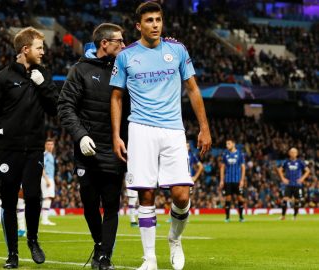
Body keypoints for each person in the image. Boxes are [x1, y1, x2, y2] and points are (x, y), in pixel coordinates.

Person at [109, 3, 211, 270]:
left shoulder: (177, 50)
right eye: (149, 20)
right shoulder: (126, 55)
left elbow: (193, 88)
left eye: (158, 19)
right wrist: (117, 135)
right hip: (140, 129)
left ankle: (175, 239)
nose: (155, 24)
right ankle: (150, 259)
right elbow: (116, 97)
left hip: (173, 130)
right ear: (138, 26)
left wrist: (204, 127)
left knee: (180, 195)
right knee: (146, 195)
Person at [0, 26, 58, 269]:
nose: (43, 52)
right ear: (25, 49)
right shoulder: (0, 80)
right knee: (9, 202)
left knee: (33, 196)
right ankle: (12, 253)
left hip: (34, 149)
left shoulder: (44, 75)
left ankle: (32, 240)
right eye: (39, 48)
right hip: (8, 150)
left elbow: (55, 109)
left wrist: (43, 85)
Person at [58, 23, 128, 270]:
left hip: (115, 150)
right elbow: (65, 106)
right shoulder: (80, 70)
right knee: (89, 204)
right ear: (104, 44)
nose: (124, 45)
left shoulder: (127, 69)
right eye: (119, 41)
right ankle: (99, 244)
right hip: (86, 150)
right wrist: (80, 135)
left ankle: (105, 257)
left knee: (111, 205)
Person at [276, 148, 310, 220]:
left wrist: (302, 179)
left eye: (294, 152)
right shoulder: (286, 162)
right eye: (291, 152)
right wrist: (283, 178)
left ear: (297, 154)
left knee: (297, 201)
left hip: (297, 185)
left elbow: (307, 171)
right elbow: (279, 170)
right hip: (289, 184)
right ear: (289, 153)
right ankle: (283, 216)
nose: (293, 154)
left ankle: (295, 216)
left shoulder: (300, 162)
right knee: (285, 199)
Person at [219, 139, 246, 222]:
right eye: (226, 144)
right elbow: (222, 167)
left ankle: (241, 217)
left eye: (229, 143)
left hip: (237, 180)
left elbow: (243, 168)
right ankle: (227, 218)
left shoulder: (240, 154)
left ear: (233, 144)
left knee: (240, 198)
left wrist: (242, 180)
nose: (227, 145)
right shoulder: (225, 154)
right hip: (228, 180)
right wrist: (221, 180)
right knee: (228, 198)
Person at [41, 139, 56, 226]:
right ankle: (44, 220)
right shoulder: (45, 155)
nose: (50, 146)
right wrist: (46, 179)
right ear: (45, 145)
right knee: (47, 198)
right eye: (48, 144)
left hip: (50, 178)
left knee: (48, 198)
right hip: (46, 178)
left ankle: (45, 219)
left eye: (52, 144)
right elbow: (41, 167)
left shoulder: (50, 155)